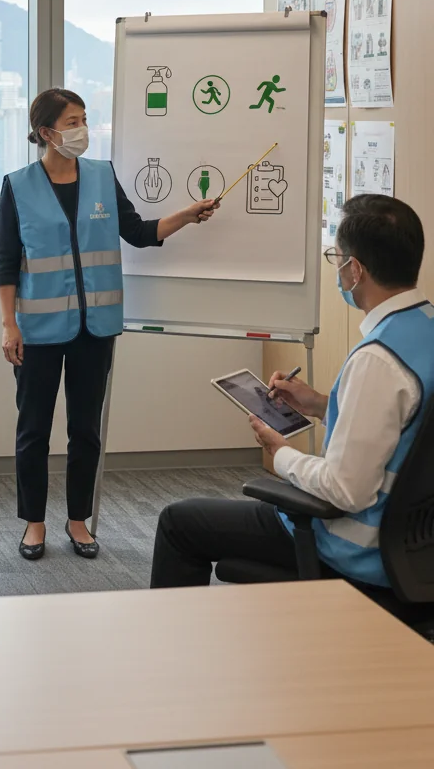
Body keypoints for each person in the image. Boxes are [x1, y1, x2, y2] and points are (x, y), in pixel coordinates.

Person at [151, 194, 434, 590]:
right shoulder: (424, 328)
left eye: (336, 258)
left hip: (355, 547)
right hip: (417, 548)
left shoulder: (378, 360)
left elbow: (345, 490)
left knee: (179, 523)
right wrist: (320, 404)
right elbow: (405, 426)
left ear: (355, 270)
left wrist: (280, 452)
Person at [0, 89, 218, 562]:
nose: (83, 130)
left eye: (84, 120)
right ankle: (33, 524)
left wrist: (187, 214)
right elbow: (6, 263)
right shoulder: (17, 186)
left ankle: (78, 521)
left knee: (86, 430)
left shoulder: (101, 176)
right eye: (72, 122)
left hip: (94, 328)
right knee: (34, 429)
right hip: (36, 329)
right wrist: (7, 325)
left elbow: (137, 232)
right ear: (45, 133)